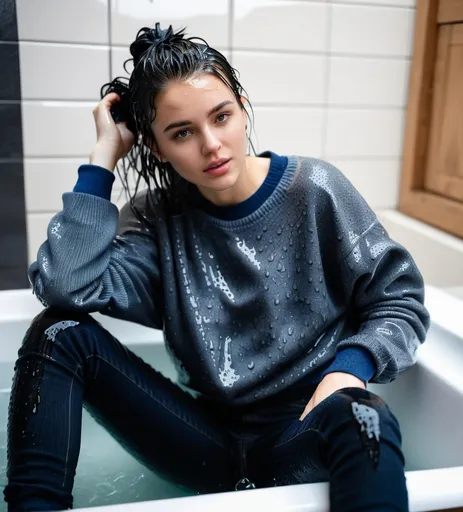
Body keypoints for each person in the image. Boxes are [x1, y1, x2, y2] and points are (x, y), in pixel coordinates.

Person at [4, 23, 430, 512]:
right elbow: (63, 286)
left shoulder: (315, 191)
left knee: (364, 417)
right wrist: (103, 157)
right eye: (182, 132)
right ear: (156, 147)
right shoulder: (155, 218)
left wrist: (348, 371)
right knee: (58, 332)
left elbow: (400, 300)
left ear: (243, 109)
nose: (211, 144)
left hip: (303, 432)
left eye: (221, 116)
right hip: (203, 444)